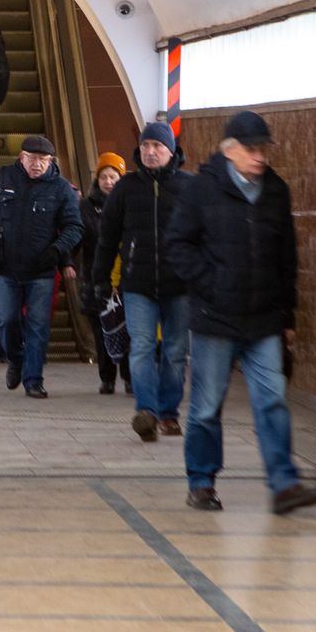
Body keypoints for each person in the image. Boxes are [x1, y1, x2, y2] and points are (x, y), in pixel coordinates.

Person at [167, 111, 316, 515]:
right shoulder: (202, 190)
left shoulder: (276, 191)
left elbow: (287, 258)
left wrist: (288, 316)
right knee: (206, 407)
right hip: (215, 319)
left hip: (264, 320)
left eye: (263, 150)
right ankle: (201, 482)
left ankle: (284, 484)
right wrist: (211, 285)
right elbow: (178, 246)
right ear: (230, 151)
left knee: (272, 400)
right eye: (252, 150)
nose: (260, 157)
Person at [94, 121, 196, 442]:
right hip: (137, 284)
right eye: (145, 146)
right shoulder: (125, 188)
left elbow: (205, 236)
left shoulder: (190, 188)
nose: (150, 152)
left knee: (176, 351)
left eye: (157, 147)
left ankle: (168, 413)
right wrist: (99, 278)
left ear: (171, 151)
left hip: (179, 285)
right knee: (141, 347)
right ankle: (147, 412)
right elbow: (107, 237)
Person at [0, 134, 82, 398]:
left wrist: (57, 251)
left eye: (43, 160)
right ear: (21, 158)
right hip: (7, 267)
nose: (38, 164)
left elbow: (75, 226)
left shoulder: (60, 188)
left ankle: (34, 380)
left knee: (37, 324)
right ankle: (16, 359)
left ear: (51, 161)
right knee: (6, 319)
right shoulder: (3, 178)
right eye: (32, 158)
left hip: (41, 271)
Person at [76, 152, 131, 395]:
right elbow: (78, 237)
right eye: (104, 176)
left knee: (129, 330)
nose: (109, 181)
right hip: (95, 278)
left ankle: (130, 378)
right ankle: (107, 377)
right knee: (101, 330)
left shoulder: (131, 204)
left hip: (127, 279)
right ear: (97, 179)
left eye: (114, 177)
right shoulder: (85, 208)